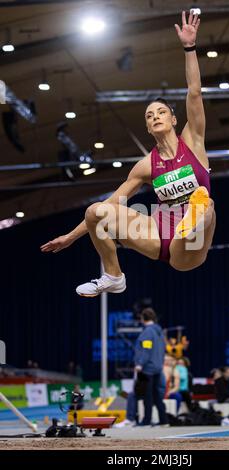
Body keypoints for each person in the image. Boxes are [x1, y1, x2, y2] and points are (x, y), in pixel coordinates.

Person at [40, 10, 216, 297]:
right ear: (147, 127)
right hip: (158, 237)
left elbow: (194, 92)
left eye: (162, 112)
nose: (156, 116)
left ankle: (193, 219)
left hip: (191, 248)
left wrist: (189, 48)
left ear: (174, 120)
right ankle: (113, 275)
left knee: (205, 206)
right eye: (150, 115)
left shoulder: (193, 141)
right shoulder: (146, 167)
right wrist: (71, 237)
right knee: (96, 211)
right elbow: (111, 204)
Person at [134, 308, 168, 426]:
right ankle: (164, 420)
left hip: (148, 369)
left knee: (147, 395)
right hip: (158, 367)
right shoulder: (159, 332)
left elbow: (146, 350)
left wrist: (140, 364)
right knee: (157, 395)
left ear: (143, 318)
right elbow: (163, 349)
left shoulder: (148, 332)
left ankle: (146, 420)